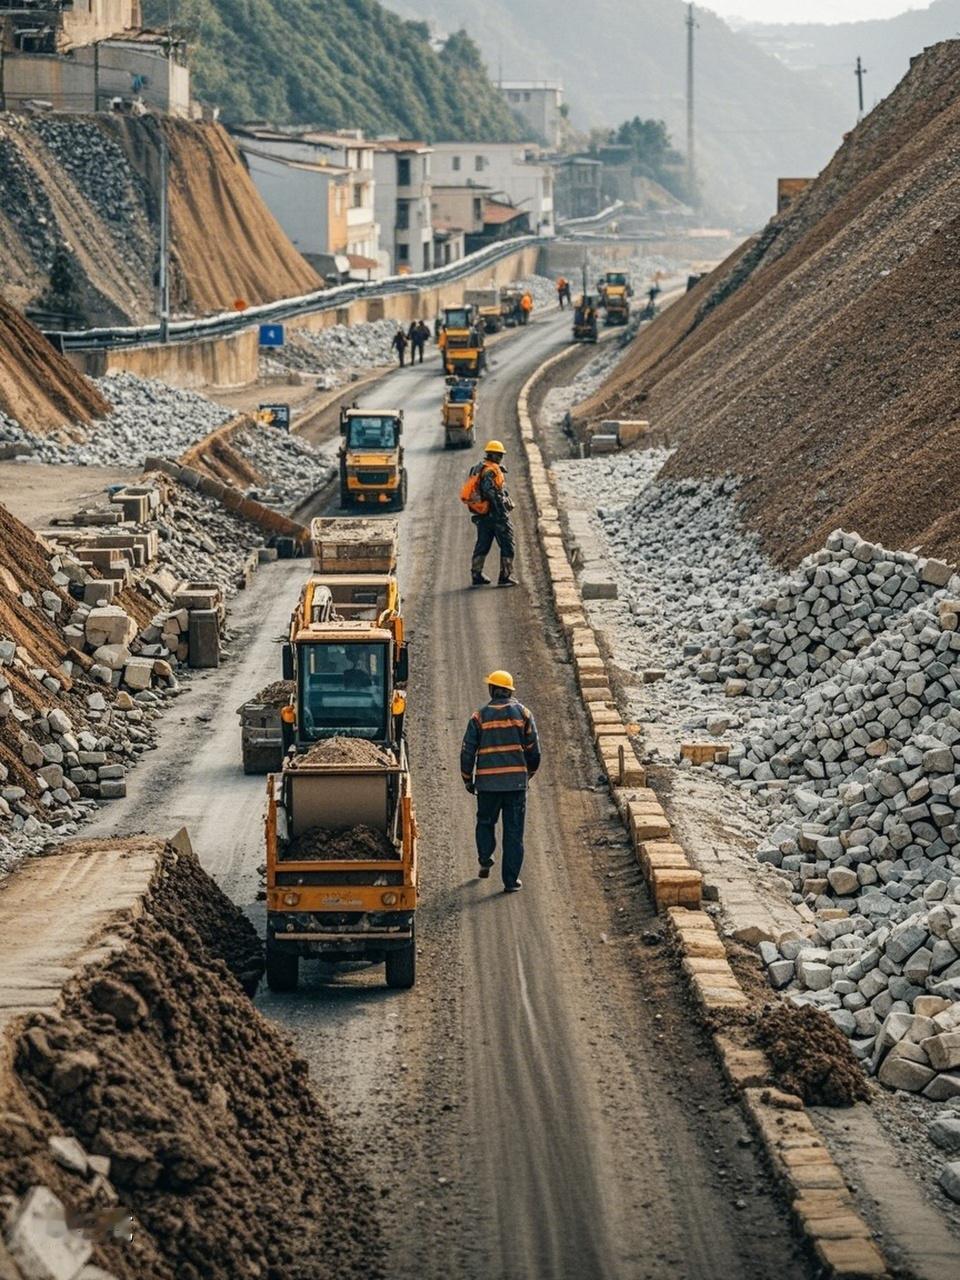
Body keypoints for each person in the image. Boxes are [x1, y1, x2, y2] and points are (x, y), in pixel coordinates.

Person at [460, 670, 540, 891]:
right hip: (515, 785)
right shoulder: (523, 714)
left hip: (487, 785)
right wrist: (527, 774)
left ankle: (485, 859)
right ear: (510, 691)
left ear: (492, 690)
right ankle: (510, 882)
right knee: (514, 834)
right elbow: (534, 751)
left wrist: (468, 778)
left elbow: (468, 751)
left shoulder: (479, 716)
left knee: (485, 822)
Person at [464, 440, 517, 587]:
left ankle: (476, 574)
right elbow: (491, 492)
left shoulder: (479, 468)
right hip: (495, 515)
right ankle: (505, 576)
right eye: (499, 455)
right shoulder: (490, 471)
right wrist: (502, 510)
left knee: (483, 544)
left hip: (483, 514)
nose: (500, 458)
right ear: (493, 455)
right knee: (508, 544)